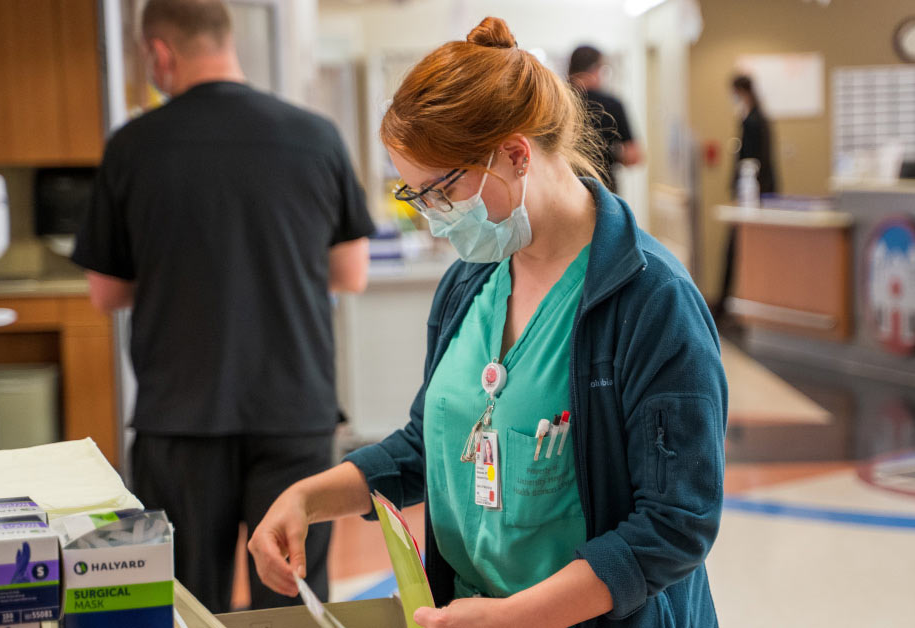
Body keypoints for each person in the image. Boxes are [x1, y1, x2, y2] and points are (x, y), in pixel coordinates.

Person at [249, 17, 726, 628]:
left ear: (515, 154)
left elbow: (675, 524)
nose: (434, 217)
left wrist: (514, 616)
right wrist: (306, 498)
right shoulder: (473, 281)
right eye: (416, 195)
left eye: (442, 191)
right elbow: (433, 446)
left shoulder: (650, 301)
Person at [71, 0, 373, 613]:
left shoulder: (134, 146)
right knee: (293, 603)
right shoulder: (315, 135)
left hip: (180, 416)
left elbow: (106, 292)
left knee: (182, 601)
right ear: (225, 40)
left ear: (160, 51)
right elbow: (351, 273)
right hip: (294, 408)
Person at [715, 74, 779, 321]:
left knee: (738, 249)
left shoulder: (753, 122)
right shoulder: (755, 118)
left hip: (752, 196)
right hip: (754, 193)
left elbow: (752, 162)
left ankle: (725, 304)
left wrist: (743, 193)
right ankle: (727, 303)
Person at [568, 45, 642, 194]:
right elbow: (634, 156)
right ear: (596, 70)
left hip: (566, 190)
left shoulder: (556, 101)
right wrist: (612, 152)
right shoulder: (612, 104)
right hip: (604, 193)